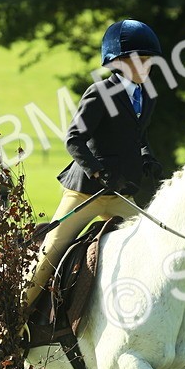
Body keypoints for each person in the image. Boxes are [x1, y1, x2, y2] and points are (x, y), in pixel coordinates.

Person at [22, 19, 165, 312]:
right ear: (120, 62)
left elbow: (139, 135)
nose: (148, 65)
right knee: (50, 252)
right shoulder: (101, 92)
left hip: (121, 192)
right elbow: (74, 139)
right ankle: (14, 316)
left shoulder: (146, 94)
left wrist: (147, 156)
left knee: (152, 247)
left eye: (150, 59)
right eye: (142, 59)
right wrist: (98, 171)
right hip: (87, 191)